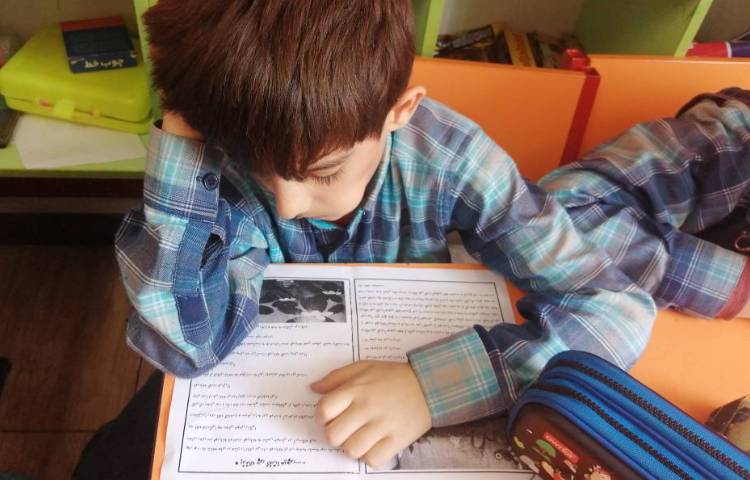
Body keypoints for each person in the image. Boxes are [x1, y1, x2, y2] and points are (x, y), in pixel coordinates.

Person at [111, 0, 748, 471]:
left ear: (400, 111)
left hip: (408, 382)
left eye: (324, 173)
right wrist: (182, 146)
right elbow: (185, 345)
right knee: (114, 459)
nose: (289, 204)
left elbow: (614, 308)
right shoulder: (223, 148)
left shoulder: (453, 159)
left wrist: (429, 387)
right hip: (257, 406)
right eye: (260, 170)